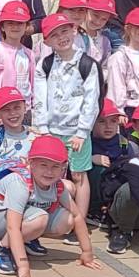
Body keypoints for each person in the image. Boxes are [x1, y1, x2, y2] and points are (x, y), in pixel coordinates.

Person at [0, 135, 102, 277]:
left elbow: (77, 216)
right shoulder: (20, 183)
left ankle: (25, 239)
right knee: (40, 218)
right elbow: (13, 226)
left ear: (63, 168)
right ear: (31, 163)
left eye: (55, 166)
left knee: (67, 219)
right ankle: (0, 249)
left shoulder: (57, 184)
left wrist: (87, 252)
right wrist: (23, 266)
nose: (49, 172)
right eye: (43, 165)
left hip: (22, 218)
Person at [33, 13, 101, 240]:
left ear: (73, 30)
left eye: (64, 31)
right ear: (47, 41)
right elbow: (39, 98)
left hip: (76, 132)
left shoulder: (87, 64)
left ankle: (79, 224)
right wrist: (43, 129)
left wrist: (82, 132)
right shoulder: (45, 65)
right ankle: (51, 217)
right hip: (52, 131)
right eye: (54, 35)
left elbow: (91, 100)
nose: (61, 38)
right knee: (50, 175)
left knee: (79, 176)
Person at [0, 1, 37, 114]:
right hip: (3, 111)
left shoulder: (29, 54)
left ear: (26, 26)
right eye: (10, 23)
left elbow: (33, 83)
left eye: (20, 23)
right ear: (2, 27)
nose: (15, 27)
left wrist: (34, 104)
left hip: (25, 109)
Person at [88, 99, 130, 228]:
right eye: (102, 121)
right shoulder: (86, 141)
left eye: (113, 121)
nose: (108, 126)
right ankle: (93, 210)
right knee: (99, 168)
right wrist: (89, 158)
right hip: (94, 186)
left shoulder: (123, 142)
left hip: (113, 184)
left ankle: (114, 208)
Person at [84, 0, 116, 66]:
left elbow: (105, 66)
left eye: (104, 19)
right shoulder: (73, 35)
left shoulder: (105, 42)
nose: (98, 22)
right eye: (96, 15)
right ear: (86, 10)